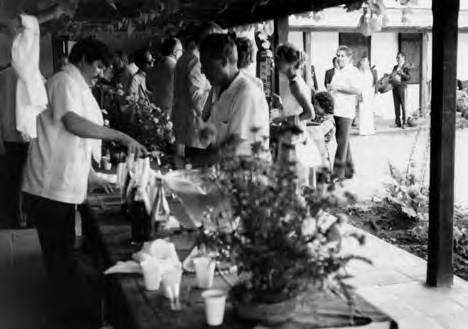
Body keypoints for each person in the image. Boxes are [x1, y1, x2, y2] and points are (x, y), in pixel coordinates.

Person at [21, 38, 146, 328]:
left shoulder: (76, 85)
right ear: (83, 59)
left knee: (62, 256)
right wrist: (121, 136)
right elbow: (72, 124)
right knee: (61, 260)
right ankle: (67, 319)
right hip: (49, 189)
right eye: (99, 65)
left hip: (58, 187)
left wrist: (90, 176)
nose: (100, 72)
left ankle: (68, 314)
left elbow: (69, 142)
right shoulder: (64, 81)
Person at [0, 5, 68, 227]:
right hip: (26, 135)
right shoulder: (29, 77)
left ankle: (16, 217)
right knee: (25, 179)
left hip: (11, 136)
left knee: (14, 179)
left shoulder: (9, 76)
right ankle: (23, 217)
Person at [200, 33, 269, 157]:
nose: (202, 70)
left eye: (205, 64)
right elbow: (216, 139)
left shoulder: (246, 94)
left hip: (247, 173)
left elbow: (234, 147)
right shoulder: (219, 89)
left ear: (223, 62)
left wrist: (191, 162)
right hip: (225, 170)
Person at [172, 22, 222, 159]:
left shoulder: (184, 57)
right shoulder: (196, 60)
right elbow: (198, 100)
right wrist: (218, 92)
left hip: (186, 126)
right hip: (194, 130)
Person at [328, 45, 362, 180]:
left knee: (341, 142)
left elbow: (357, 90)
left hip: (346, 111)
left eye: (342, 56)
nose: (339, 58)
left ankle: (337, 174)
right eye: (338, 55)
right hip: (336, 109)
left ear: (349, 57)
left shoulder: (353, 71)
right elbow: (334, 88)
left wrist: (339, 88)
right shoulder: (338, 71)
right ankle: (349, 171)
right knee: (343, 141)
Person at [147, 37, 183, 114]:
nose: (182, 54)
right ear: (175, 52)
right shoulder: (177, 69)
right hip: (172, 113)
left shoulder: (154, 68)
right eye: (181, 51)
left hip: (156, 111)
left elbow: (149, 86)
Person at [357, 56, 377, 135]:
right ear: (361, 63)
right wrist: (359, 95)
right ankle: (363, 130)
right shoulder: (359, 72)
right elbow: (358, 85)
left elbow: (375, 82)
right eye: (363, 62)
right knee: (363, 111)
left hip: (370, 93)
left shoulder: (372, 71)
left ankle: (370, 129)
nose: (365, 63)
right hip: (362, 93)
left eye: (366, 61)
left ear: (368, 63)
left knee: (369, 111)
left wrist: (375, 92)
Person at [391, 52, 411, 128]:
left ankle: (404, 122)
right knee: (396, 105)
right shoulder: (395, 67)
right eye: (397, 58)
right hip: (395, 88)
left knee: (403, 105)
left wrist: (402, 73)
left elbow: (408, 77)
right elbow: (392, 75)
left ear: (403, 57)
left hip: (402, 88)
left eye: (399, 57)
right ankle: (397, 122)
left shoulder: (406, 66)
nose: (397, 59)